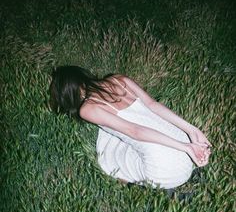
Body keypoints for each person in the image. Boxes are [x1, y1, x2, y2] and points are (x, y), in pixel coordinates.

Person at [49, 65, 212, 189]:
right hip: (180, 139)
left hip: (166, 170)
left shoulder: (87, 109)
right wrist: (191, 131)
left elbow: (135, 131)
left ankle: (150, 189)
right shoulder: (119, 79)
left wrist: (186, 147)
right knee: (113, 135)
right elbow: (153, 104)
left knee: (109, 159)